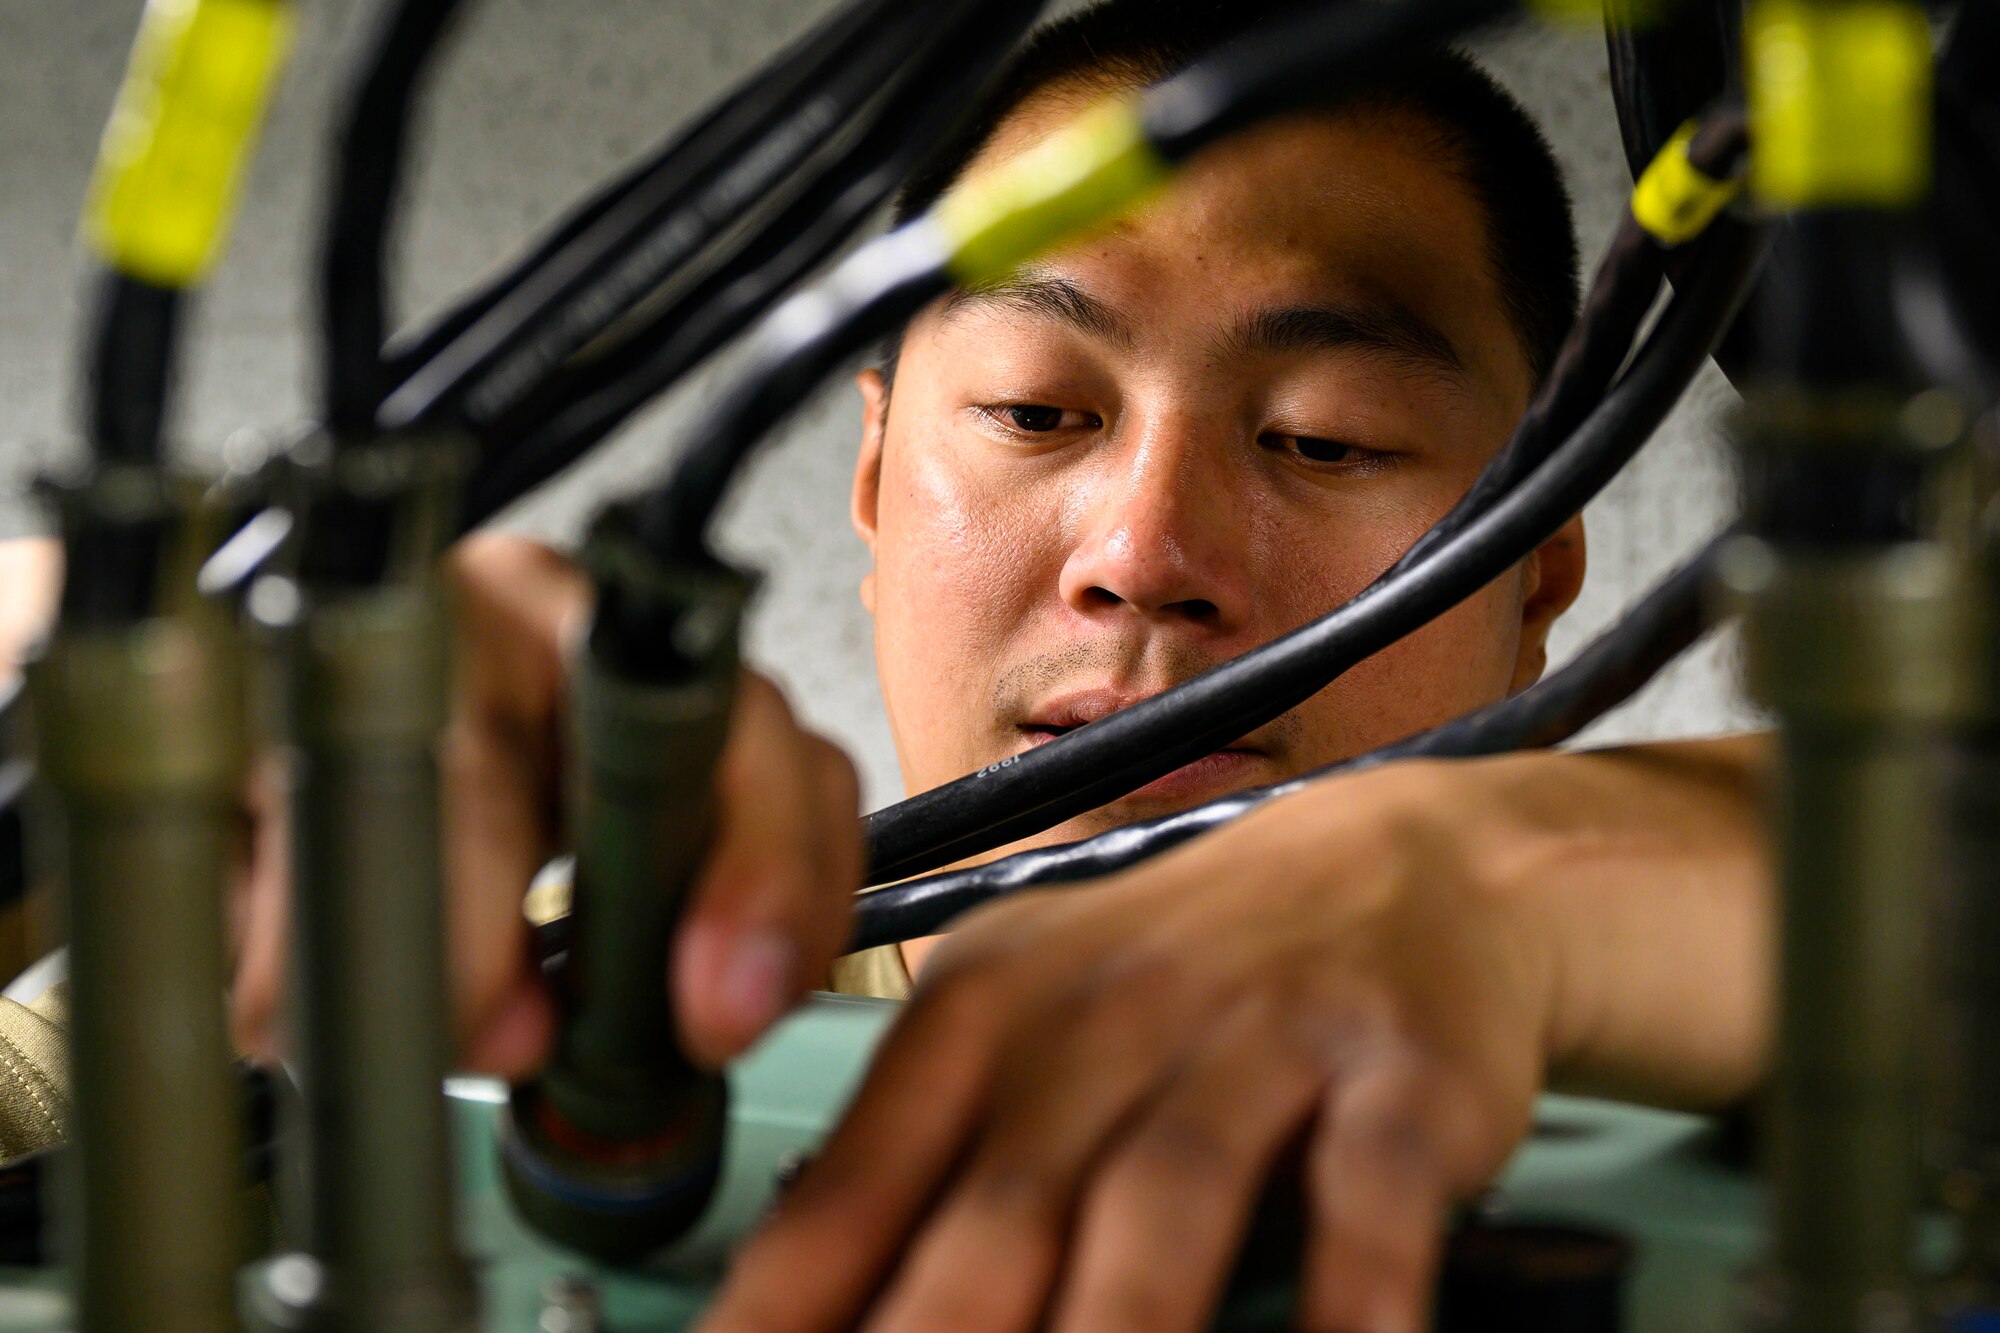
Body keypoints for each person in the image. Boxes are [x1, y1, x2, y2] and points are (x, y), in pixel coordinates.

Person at [0, 1, 1774, 1328]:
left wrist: (1496, 879)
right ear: (868, 485)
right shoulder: (376, 988)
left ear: (1539, 566)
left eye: (1321, 438)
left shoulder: (1718, 1047)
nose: (1145, 554)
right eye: (1033, 411)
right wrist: (79, 680)